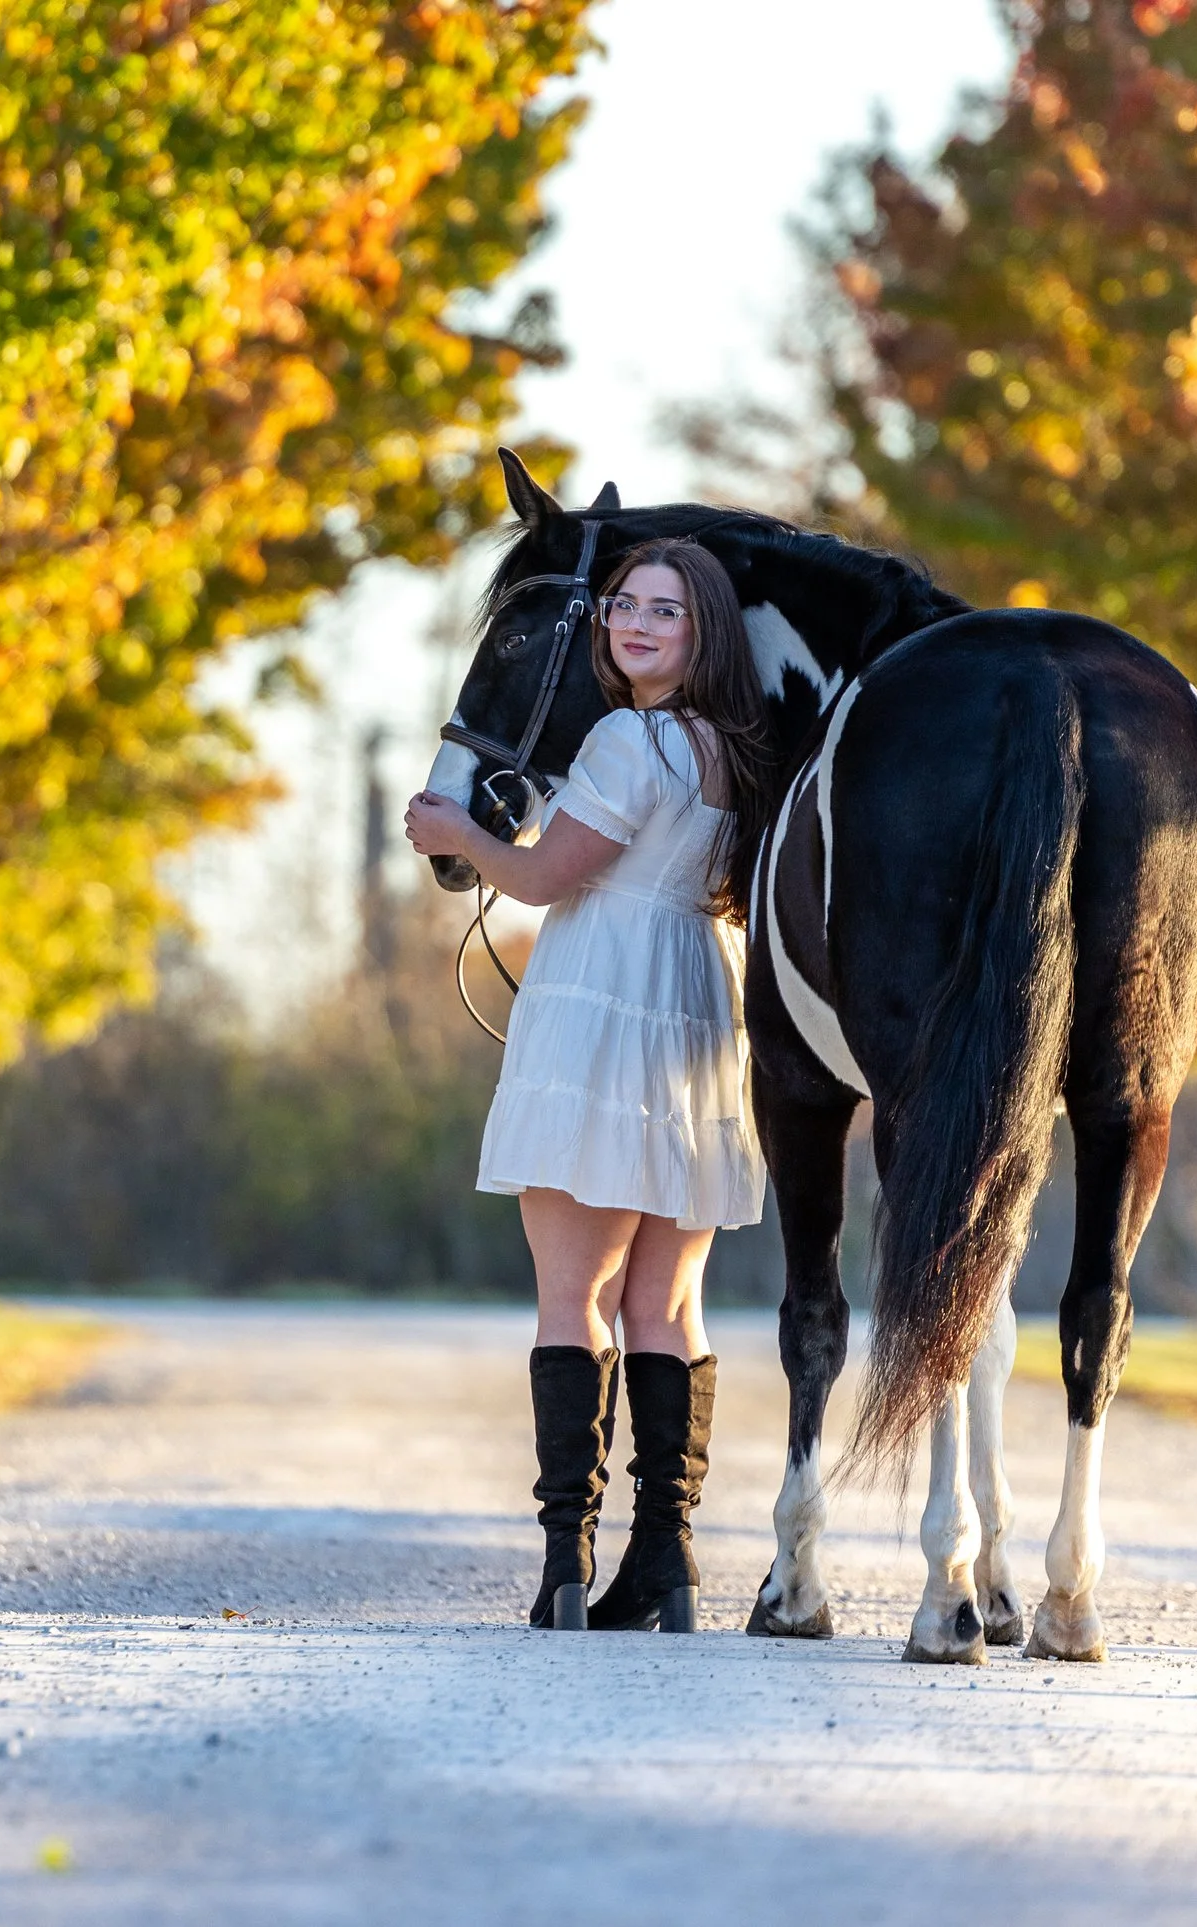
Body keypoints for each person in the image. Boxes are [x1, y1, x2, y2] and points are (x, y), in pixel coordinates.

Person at [405, 538, 776, 1632]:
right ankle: (665, 1559)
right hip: (699, 1003)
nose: (634, 623)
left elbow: (539, 875)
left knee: (574, 1294)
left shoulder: (626, 738)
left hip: (600, 997)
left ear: (702, 631)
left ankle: (566, 1554)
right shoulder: (735, 749)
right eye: (622, 605)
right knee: (664, 1299)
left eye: (664, 610)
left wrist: (458, 834)